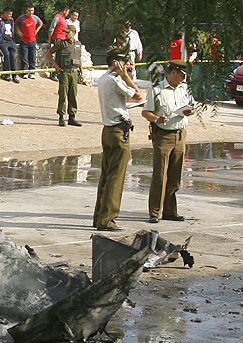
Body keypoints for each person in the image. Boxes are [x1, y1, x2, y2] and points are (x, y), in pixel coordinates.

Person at [93, 46, 142, 231]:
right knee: (116, 178)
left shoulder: (104, 79)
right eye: (125, 62)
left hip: (108, 130)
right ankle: (107, 220)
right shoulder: (115, 80)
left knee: (106, 175)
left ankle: (99, 216)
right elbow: (137, 95)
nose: (128, 65)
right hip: (118, 132)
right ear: (116, 63)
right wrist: (126, 76)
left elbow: (123, 98)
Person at [141, 60, 195, 223]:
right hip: (163, 135)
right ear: (173, 72)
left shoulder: (184, 88)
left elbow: (191, 105)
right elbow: (146, 112)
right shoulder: (157, 90)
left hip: (180, 134)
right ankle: (155, 212)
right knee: (160, 174)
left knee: (175, 174)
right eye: (182, 75)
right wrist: (157, 118)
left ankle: (170, 211)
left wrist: (189, 111)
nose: (183, 79)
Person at [47, 25, 82, 127]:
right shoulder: (61, 44)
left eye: (68, 32)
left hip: (74, 72)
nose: (66, 34)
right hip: (64, 72)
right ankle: (61, 116)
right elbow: (49, 53)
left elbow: (79, 58)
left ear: (73, 33)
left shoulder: (78, 44)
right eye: (66, 32)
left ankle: (72, 116)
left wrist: (82, 72)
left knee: (73, 94)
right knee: (63, 93)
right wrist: (56, 65)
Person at [15, 5, 43, 79]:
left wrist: (36, 31)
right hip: (24, 41)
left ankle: (32, 72)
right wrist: (19, 32)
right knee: (24, 58)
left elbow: (41, 23)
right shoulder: (21, 18)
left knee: (33, 57)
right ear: (26, 10)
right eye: (29, 10)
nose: (31, 12)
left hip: (33, 40)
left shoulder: (35, 18)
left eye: (32, 10)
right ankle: (25, 72)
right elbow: (16, 24)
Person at [0, 7, 19, 83]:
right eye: (9, 14)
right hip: (2, 41)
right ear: (5, 13)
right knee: (6, 55)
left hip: (10, 41)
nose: (10, 16)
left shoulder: (11, 20)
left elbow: (12, 31)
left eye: (11, 14)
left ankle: (15, 74)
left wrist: (13, 41)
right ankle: (6, 74)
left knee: (13, 56)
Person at [47, 4, 70, 81]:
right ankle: (54, 74)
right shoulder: (57, 18)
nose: (68, 14)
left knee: (61, 57)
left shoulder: (63, 18)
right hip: (58, 39)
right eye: (67, 12)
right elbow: (51, 29)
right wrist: (49, 40)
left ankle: (59, 73)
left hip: (63, 39)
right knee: (57, 56)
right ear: (64, 11)